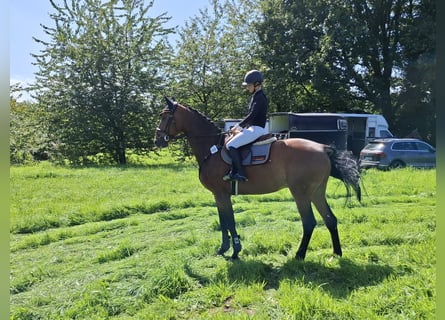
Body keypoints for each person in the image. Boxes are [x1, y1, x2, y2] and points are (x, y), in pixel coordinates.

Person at [223, 70, 268, 182]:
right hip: (253, 128)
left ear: (256, 84)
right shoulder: (256, 95)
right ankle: (233, 172)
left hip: (257, 129)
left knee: (231, 145)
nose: (247, 87)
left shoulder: (260, 97)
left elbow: (252, 115)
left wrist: (237, 127)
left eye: (249, 85)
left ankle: (240, 173)